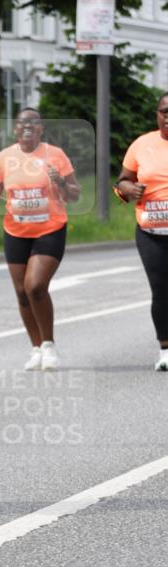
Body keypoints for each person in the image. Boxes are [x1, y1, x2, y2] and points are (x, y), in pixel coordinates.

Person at [0, 107, 80, 371]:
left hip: (50, 229)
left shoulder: (55, 155)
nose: (27, 126)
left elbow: (75, 195)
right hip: (16, 231)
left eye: (33, 122)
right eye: (22, 122)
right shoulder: (5, 157)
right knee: (21, 293)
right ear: (15, 128)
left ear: (41, 128)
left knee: (35, 286)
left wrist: (60, 181)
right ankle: (36, 347)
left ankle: (49, 344)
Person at [114, 93, 168, 371]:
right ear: (157, 114)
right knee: (161, 291)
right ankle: (165, 350)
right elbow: (122, 181)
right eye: (164, 111)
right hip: (150, 232)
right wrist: (127, 189)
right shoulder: (142, 145)